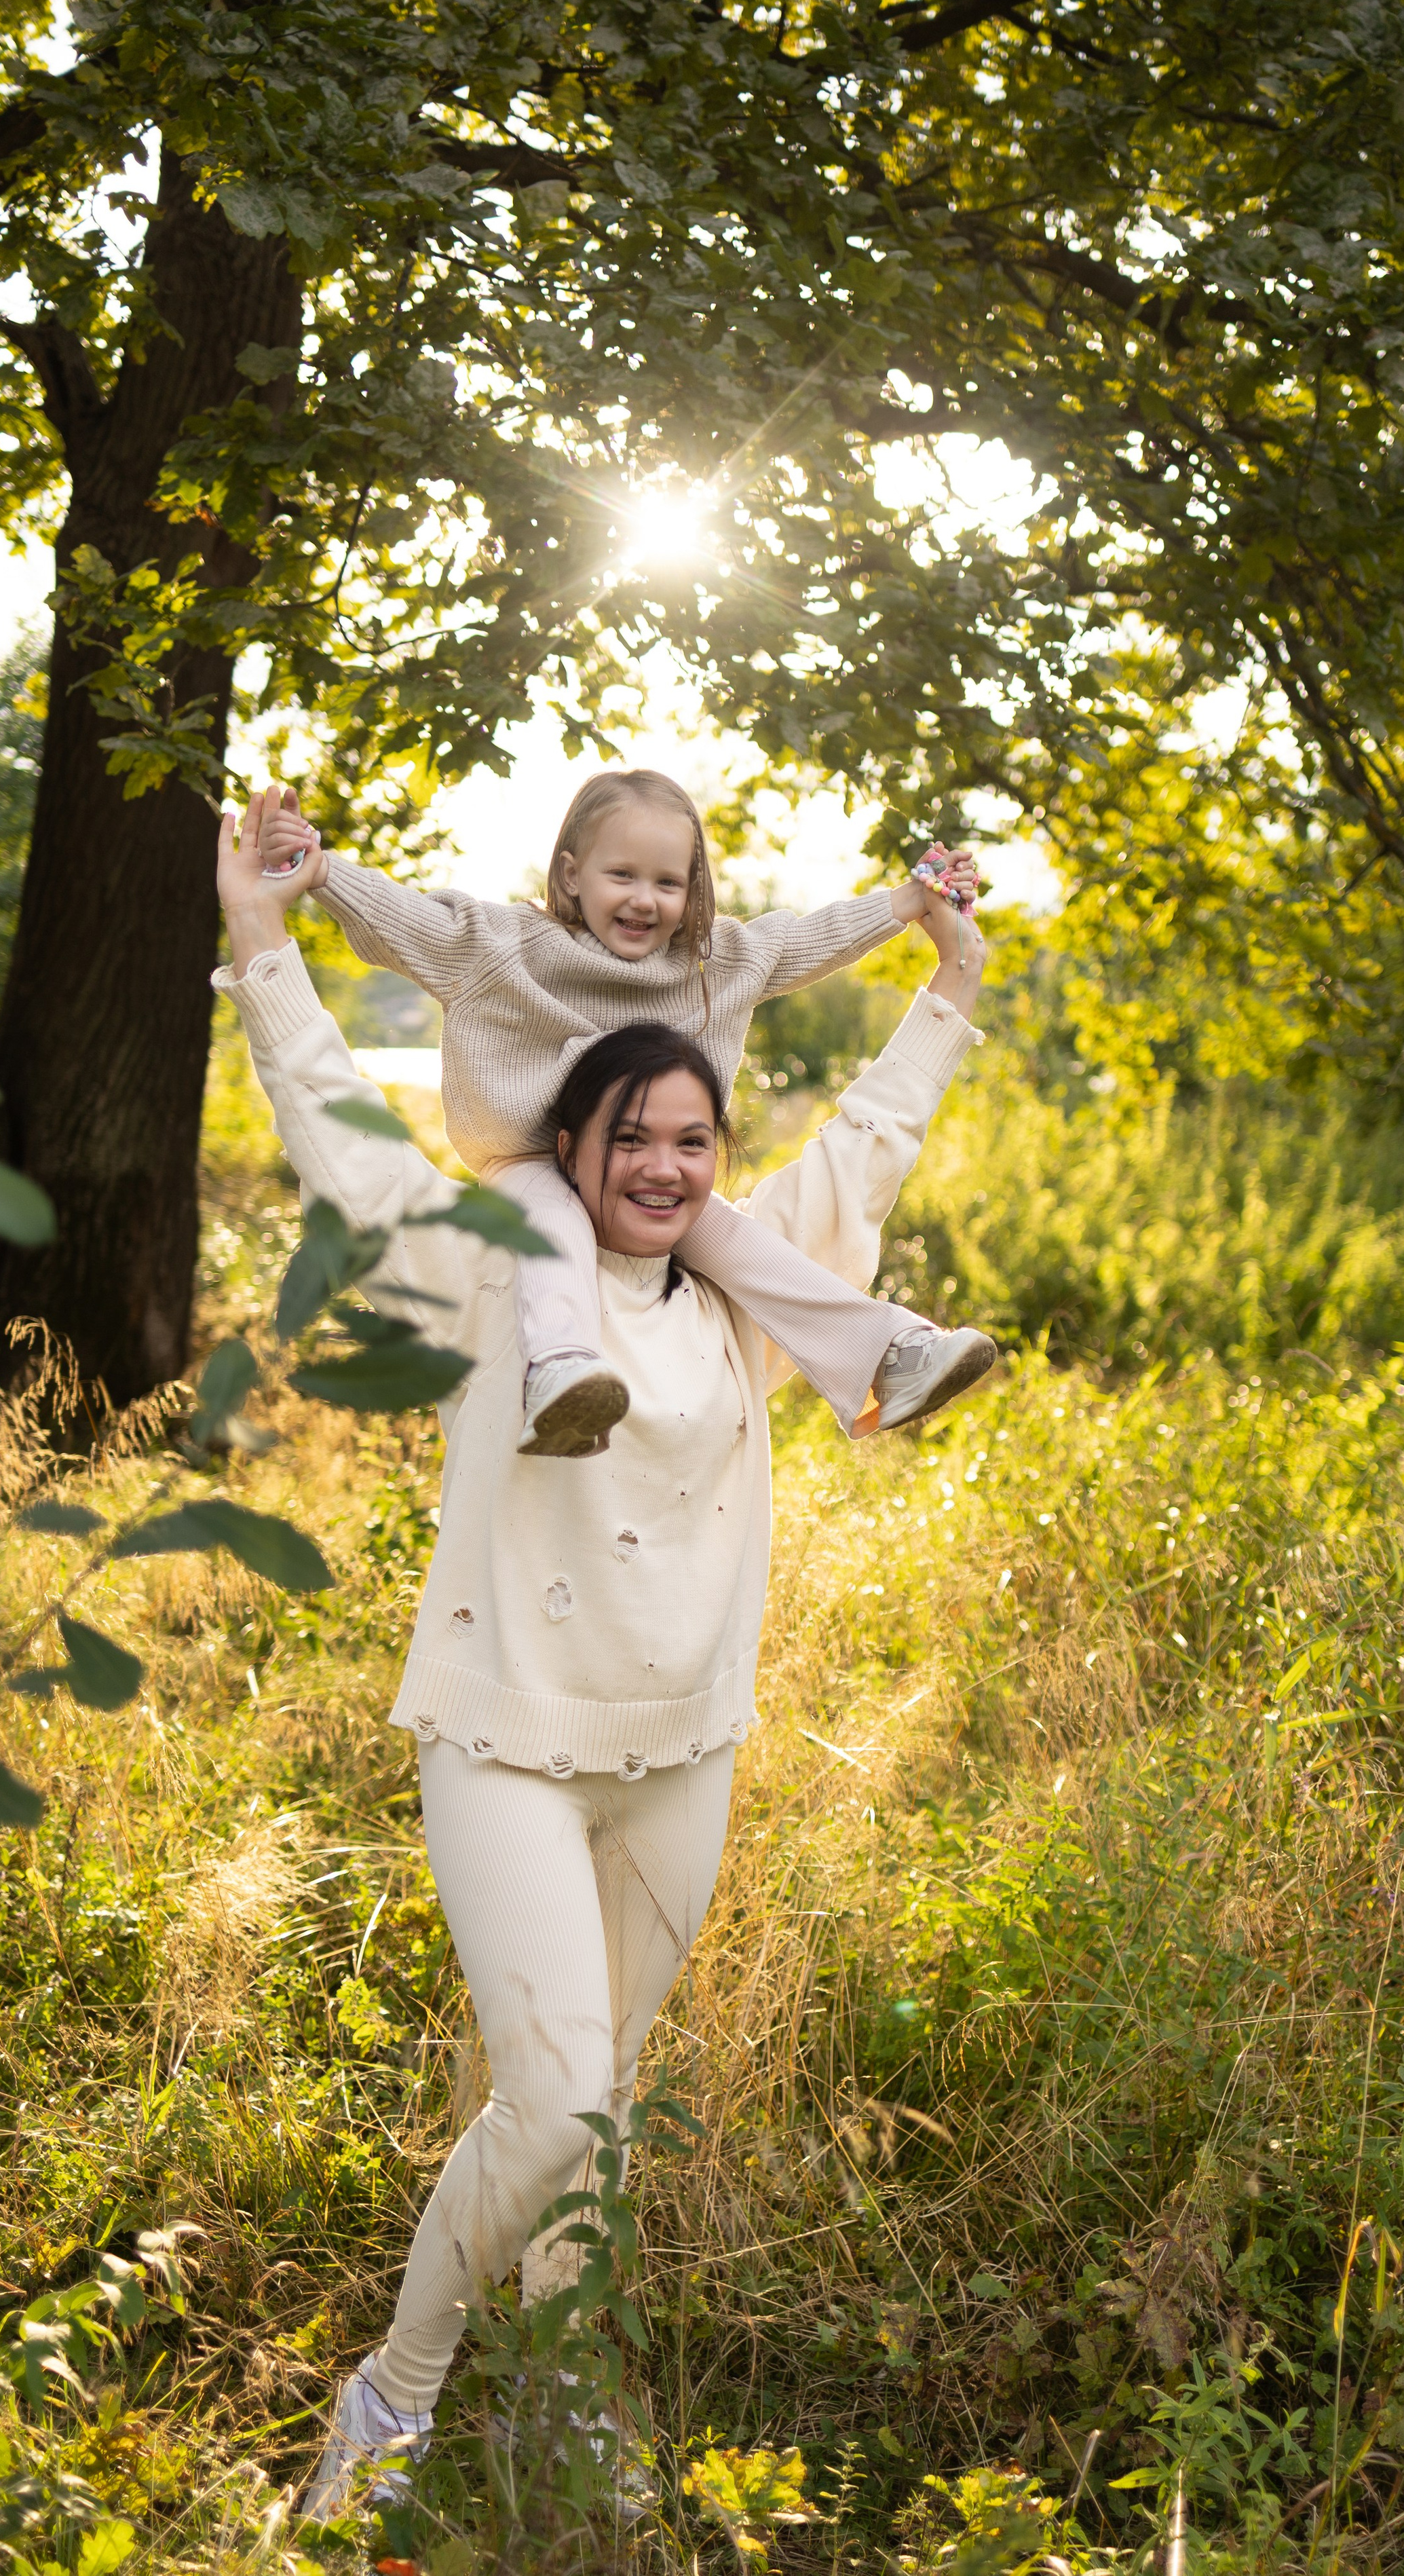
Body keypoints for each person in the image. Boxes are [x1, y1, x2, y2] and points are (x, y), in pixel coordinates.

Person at [212, 786, 991, 2519]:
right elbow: (344, 1130)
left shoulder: (745, 1288)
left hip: (677, 1754)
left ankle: (565, 2405)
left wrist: (943, 985)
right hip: (503, 1736)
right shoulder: (493, 1267)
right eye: (626, 1135)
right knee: (555, 2101)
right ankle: (391, 2399)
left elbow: (861, 1149)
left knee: (597, 2109)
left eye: (691, 1141)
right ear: (568, 1147)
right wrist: (265, 940)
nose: (660, 1164)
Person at [252, 768, 995, 1453]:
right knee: (549, 1225)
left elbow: (803, 938)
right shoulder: (504, 950)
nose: (645, 899)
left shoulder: (711, 966)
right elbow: (407, 921)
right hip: (533, 1160)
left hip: (650, 1173)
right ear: (572, 875)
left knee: (745, 1246)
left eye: (668, 882)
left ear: (693, 887)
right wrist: (319, 870)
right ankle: (560, 1371)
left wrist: (904, 902)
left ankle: (885, 1354)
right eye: (622, 875)